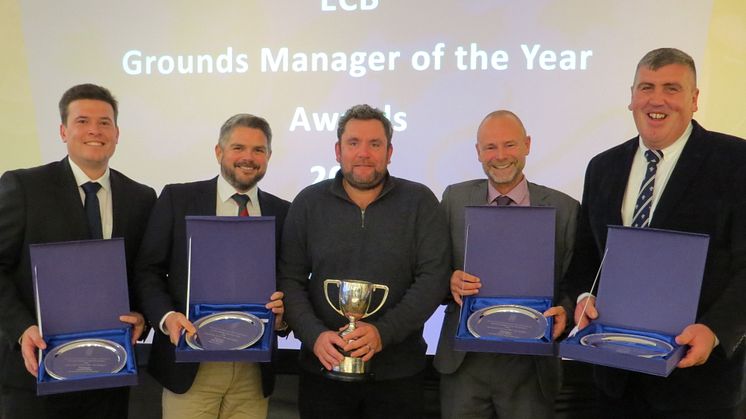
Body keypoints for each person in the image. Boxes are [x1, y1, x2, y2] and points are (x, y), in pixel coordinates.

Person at [568, 47, 746, 417]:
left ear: (695, 99)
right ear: (632, 97)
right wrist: (584, 295)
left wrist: (714, 330)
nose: (657, 99)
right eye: (646, 87)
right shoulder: (602, 167)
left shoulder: (735, 162)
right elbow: (586, 257)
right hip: (615, 379)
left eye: (672, 88)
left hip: (698, 381)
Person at [278, 104, 450, 419]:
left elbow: (433, 278)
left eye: (375, 144)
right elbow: (290, 279)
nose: (364, 153)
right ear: (337, 150)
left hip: (399, 375)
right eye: (353, 143)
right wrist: (314, 335)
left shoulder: (420, 202)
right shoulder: (308, 203)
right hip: (322, 371)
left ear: (389, 151)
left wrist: (383, 333)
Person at [0, 83, 156, 419]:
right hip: (35, 371)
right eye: (83, 121)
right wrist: (21, 327)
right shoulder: (24, 187)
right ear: (63, 130)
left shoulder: (141, 198)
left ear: (117, 132)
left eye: (104, 123)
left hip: (108, 375)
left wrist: (142, 314)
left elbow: (145, 271)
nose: (95, 131)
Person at [133, 113, 289, 419]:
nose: (249, 157)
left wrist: (283, 319)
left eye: (259, 150)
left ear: (269, 156)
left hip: (253, 373)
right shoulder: (178, 199)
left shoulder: (283, 212)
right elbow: (147, 270)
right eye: (238, 147)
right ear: (219, 152)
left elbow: (288, 281)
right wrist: (166, 318)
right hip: (190, 368)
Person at [433, 110, 579, 418]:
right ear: (478, 152)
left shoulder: (565, 209)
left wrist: (565, 310)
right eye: (490, 147)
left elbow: (574, 282)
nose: (500, 156)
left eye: (510, 145)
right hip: (464, 364)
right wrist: (448, 279)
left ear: (527, 145)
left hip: (531, 368)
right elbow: (430, 269)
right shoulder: (454, 200)